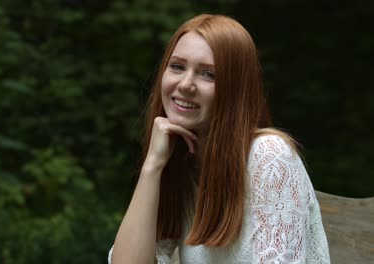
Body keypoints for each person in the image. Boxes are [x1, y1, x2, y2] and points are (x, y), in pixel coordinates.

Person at [108, 14, 330, 263]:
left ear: (234, 89)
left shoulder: (269, 156)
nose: (186, 84)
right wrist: (153, 165)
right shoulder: (179, 160)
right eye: (178, 67)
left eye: (208, 75)